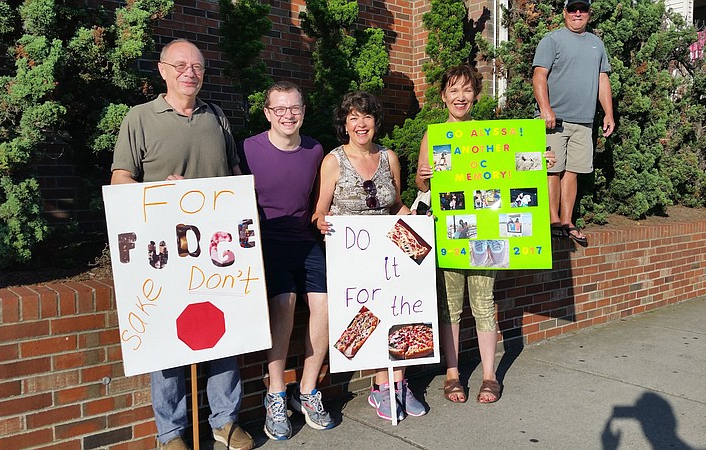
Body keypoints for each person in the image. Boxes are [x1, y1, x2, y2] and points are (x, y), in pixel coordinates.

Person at [110, 38, 253, 450]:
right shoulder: (139, 118)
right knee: (166, 339)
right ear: (162, 70)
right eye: (181, 65)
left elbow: (234, 172)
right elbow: (121, 181)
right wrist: (162, 192)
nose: (190, 72)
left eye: (198, 67)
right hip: (163, 255)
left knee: (226, 332)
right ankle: (170, 433)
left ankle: (225, 421)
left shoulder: (216, 117)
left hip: (218, 250)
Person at [416, 65, 557, 405]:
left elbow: (514, 170)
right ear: (443, 96)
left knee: (483, 304)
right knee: (449, 307)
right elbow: (422, 184)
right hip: (448, 231)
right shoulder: (434, 136)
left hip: (486, 234)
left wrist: (540, 160)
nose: (460, 97)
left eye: (466, 90)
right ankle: (452, 373)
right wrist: (425, 175)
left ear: (475, 95)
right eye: (453, 90)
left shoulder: (491, 134)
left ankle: (489, 376)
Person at [313, 91, 425, 422]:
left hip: (389, 249)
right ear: (344, 124)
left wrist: (416, 222)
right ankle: (382, 388)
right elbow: (319, 210)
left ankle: (398, 383)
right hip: (352, 255)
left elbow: (395, 205)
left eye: (367, 117)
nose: (361, 124)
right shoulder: (334, 161)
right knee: (367, 318)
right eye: (353, 118)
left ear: (375, 121)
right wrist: (320, 222)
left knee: (402, 310)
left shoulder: (389, 157)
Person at [237, 81, 334, 441]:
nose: (288, 115)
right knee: (285, 305)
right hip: (267, 242)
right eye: (280, 109)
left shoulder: (315, 150)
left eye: (294, 108)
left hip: (306, 241)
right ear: (267, 113)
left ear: (304, 111)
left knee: (324, 305)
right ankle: (275, 393)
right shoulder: (248, 149)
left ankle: (307, 391)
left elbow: (316, 201)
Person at [532, 0, 615, 247]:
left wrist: (608, 113)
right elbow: (539, 76)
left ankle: (567, 222)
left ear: (589, 14)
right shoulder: (552, 40)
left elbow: (603, 80)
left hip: (584, 121)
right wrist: (545, 109)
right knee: (552, 170)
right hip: (554, 121)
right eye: (572, 9)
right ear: (565, 12)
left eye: (583, 9)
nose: (577, 13)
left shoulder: (596, 44)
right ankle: (553, 221)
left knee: (573, 171)